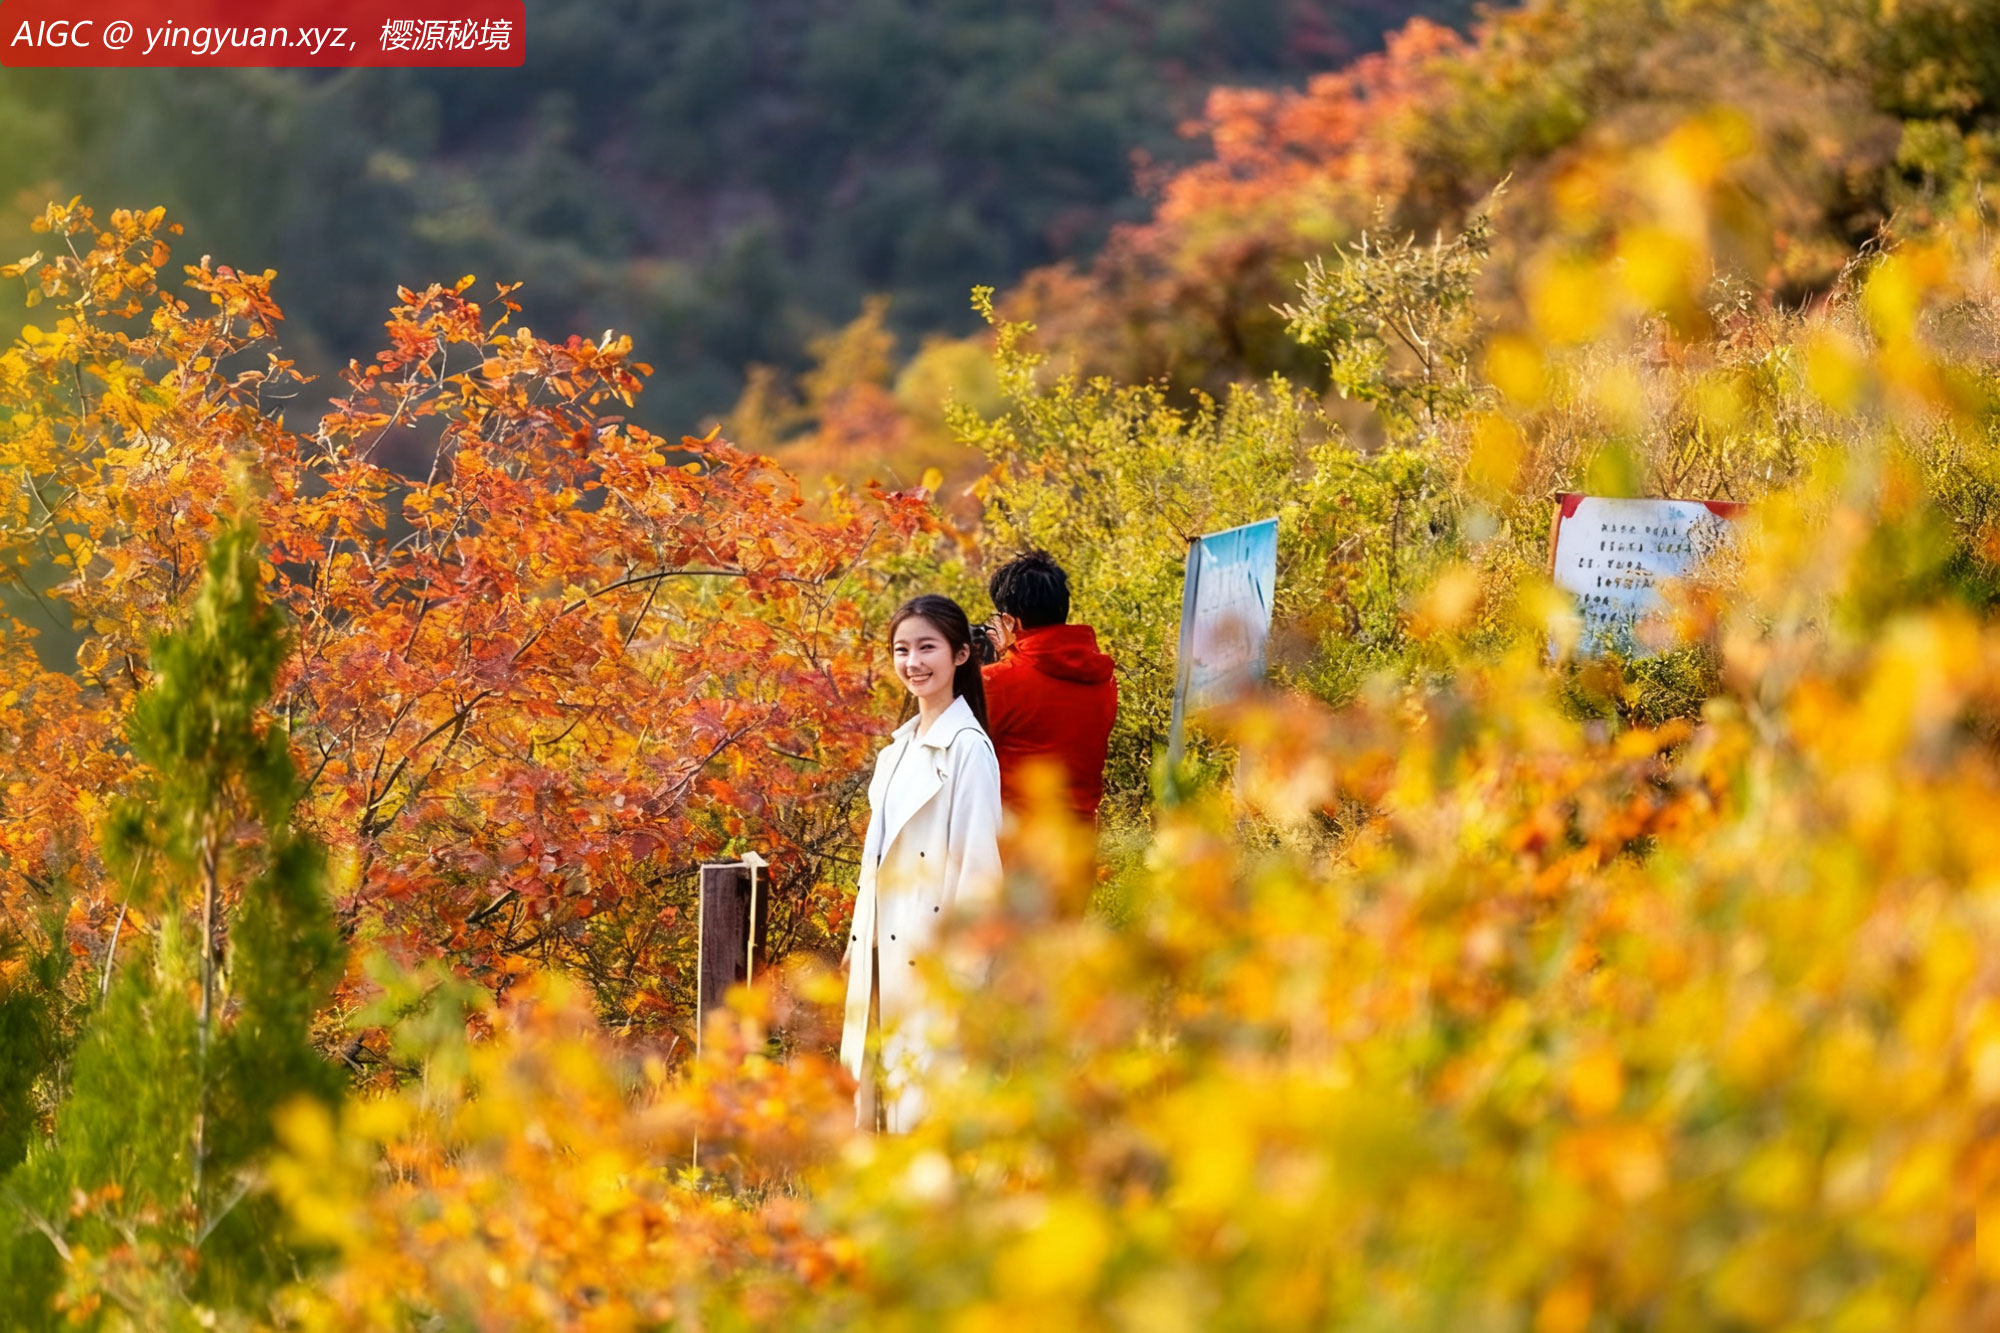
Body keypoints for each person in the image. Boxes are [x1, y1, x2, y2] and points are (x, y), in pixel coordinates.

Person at [840, 594, 1003, 1133]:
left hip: (929, 956)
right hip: (881, 950)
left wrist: (962, 979)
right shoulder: (899, 749)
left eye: (926, 647)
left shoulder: (967, 748)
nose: (913, 662)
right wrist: (856, 938)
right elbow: (877, 859)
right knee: (874, 1102)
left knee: (921, 1110)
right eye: (902, 649)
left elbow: (980, 873)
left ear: (960, 655)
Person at [981, 551, 1118, 821]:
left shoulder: (995, 682)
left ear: (1009, 621)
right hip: (1078, 842)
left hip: (1015, 846)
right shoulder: (1102, 677)